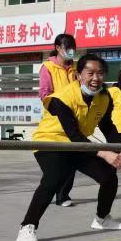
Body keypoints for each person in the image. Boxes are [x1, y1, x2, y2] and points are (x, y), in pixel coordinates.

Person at [17, 54, 121, 241]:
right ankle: (27, 226)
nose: (95, 78)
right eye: (90, 73)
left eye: (100, 73)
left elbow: (108, 126)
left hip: (79, 145)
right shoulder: (62, 98)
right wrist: (105, 153)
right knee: (54, 177)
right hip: (51, 141)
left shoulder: (104, 97)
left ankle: (101, 219)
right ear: (79, 75)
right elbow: (73, 135)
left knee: (108, 176)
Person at [39, 34, 78, 207]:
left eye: (73, 48)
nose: (71, 51)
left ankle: (63, 195)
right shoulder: (48, 67)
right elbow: (44, 93)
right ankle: (50, 191)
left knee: (72, 160)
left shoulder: (75, 68)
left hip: (74, 120)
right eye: (67, 48)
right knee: (56, 163)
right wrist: (58, 107)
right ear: (57, 48)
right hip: (55, 120)